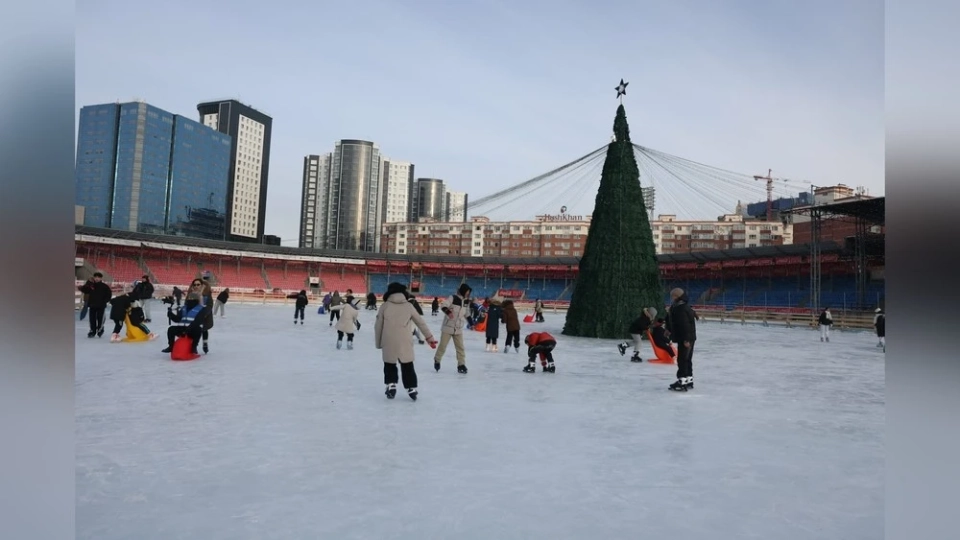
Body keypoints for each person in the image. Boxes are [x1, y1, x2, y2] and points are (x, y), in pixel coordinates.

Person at [375, 282, 437, 400]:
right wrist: (430, 338)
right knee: (407, 364)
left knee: (389, 364)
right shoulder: (409, 306)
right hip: (405, 339)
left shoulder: (385, 306)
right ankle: (411, 388)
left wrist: (378, 343)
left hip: (388, 339)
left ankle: (391, 385)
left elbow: (378, 326)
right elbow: (420, 322)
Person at [434, 283, 472, 374]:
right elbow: (443, 305)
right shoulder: (453, 298)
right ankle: (437, 359)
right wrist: (448, 312)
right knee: (443, 346)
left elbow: (467, 313)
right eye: (467, 291)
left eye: (469, 292)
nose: (468, 293)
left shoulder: (466, 301)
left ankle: (461, 365)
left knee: (460, 347)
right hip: (448, 327)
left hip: (458, 328)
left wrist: (471, 322)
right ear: (463, 291)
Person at [666, 288, 697, 391]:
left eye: (673, 296)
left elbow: (684, 325)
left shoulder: (680, 308)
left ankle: (682, 381)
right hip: (689, 337)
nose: (672, 298)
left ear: (678, 296)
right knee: (687, 359)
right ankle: (689, 380)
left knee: (682, 359)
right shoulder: (683, 307)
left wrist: (686, 340)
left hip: (685, 338)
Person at [79, 272, 112, 338]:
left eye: (98, 277)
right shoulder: (91, 285)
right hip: (92, 305)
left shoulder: (104, 286)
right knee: (92, 319)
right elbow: (84, 290)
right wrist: (88, 283)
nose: (97, 278)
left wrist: (104, 301)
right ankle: (92, 331)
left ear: (101, 278)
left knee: (100, 319)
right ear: (94, 278)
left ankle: (100, 330)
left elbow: (109, 294)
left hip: (101, 306)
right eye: (95, 277)